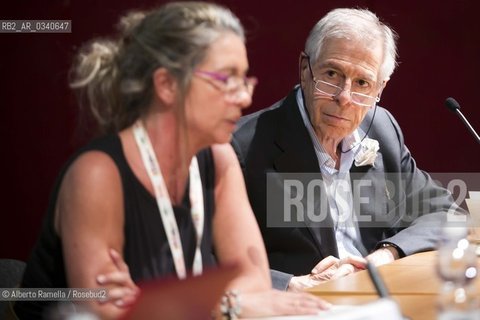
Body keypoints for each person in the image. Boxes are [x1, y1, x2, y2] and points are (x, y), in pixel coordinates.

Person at [12, 2, 330, 319]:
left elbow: (254, 284)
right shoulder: (97, 174)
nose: (245, 97)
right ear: (166, 85)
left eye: (243, 79)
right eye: (226, 79)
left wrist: (161, 300)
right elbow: (109, 311)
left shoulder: (219, 160)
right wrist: (227, 302)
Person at [232, 8, 462, 291]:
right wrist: (289, 285)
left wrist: (386, 253)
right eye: (332, 74)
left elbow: (443, 211)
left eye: (362, 83)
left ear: (380, 88)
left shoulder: (382, 128)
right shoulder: (241, 147)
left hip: (376, 298)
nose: (344, 97)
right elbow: (204, 261)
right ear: (305, 70)